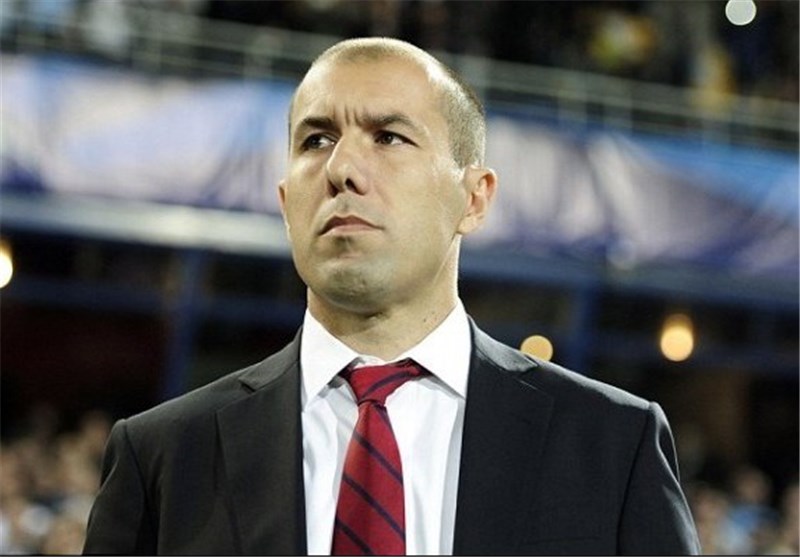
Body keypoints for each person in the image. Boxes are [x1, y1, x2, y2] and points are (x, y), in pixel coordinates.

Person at [83, 37, 700, 555]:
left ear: (474, 198)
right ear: (286, 204)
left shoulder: (614, 445)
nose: (342, 169)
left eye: (388, 137)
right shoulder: (161, 455)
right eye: (316, 140)